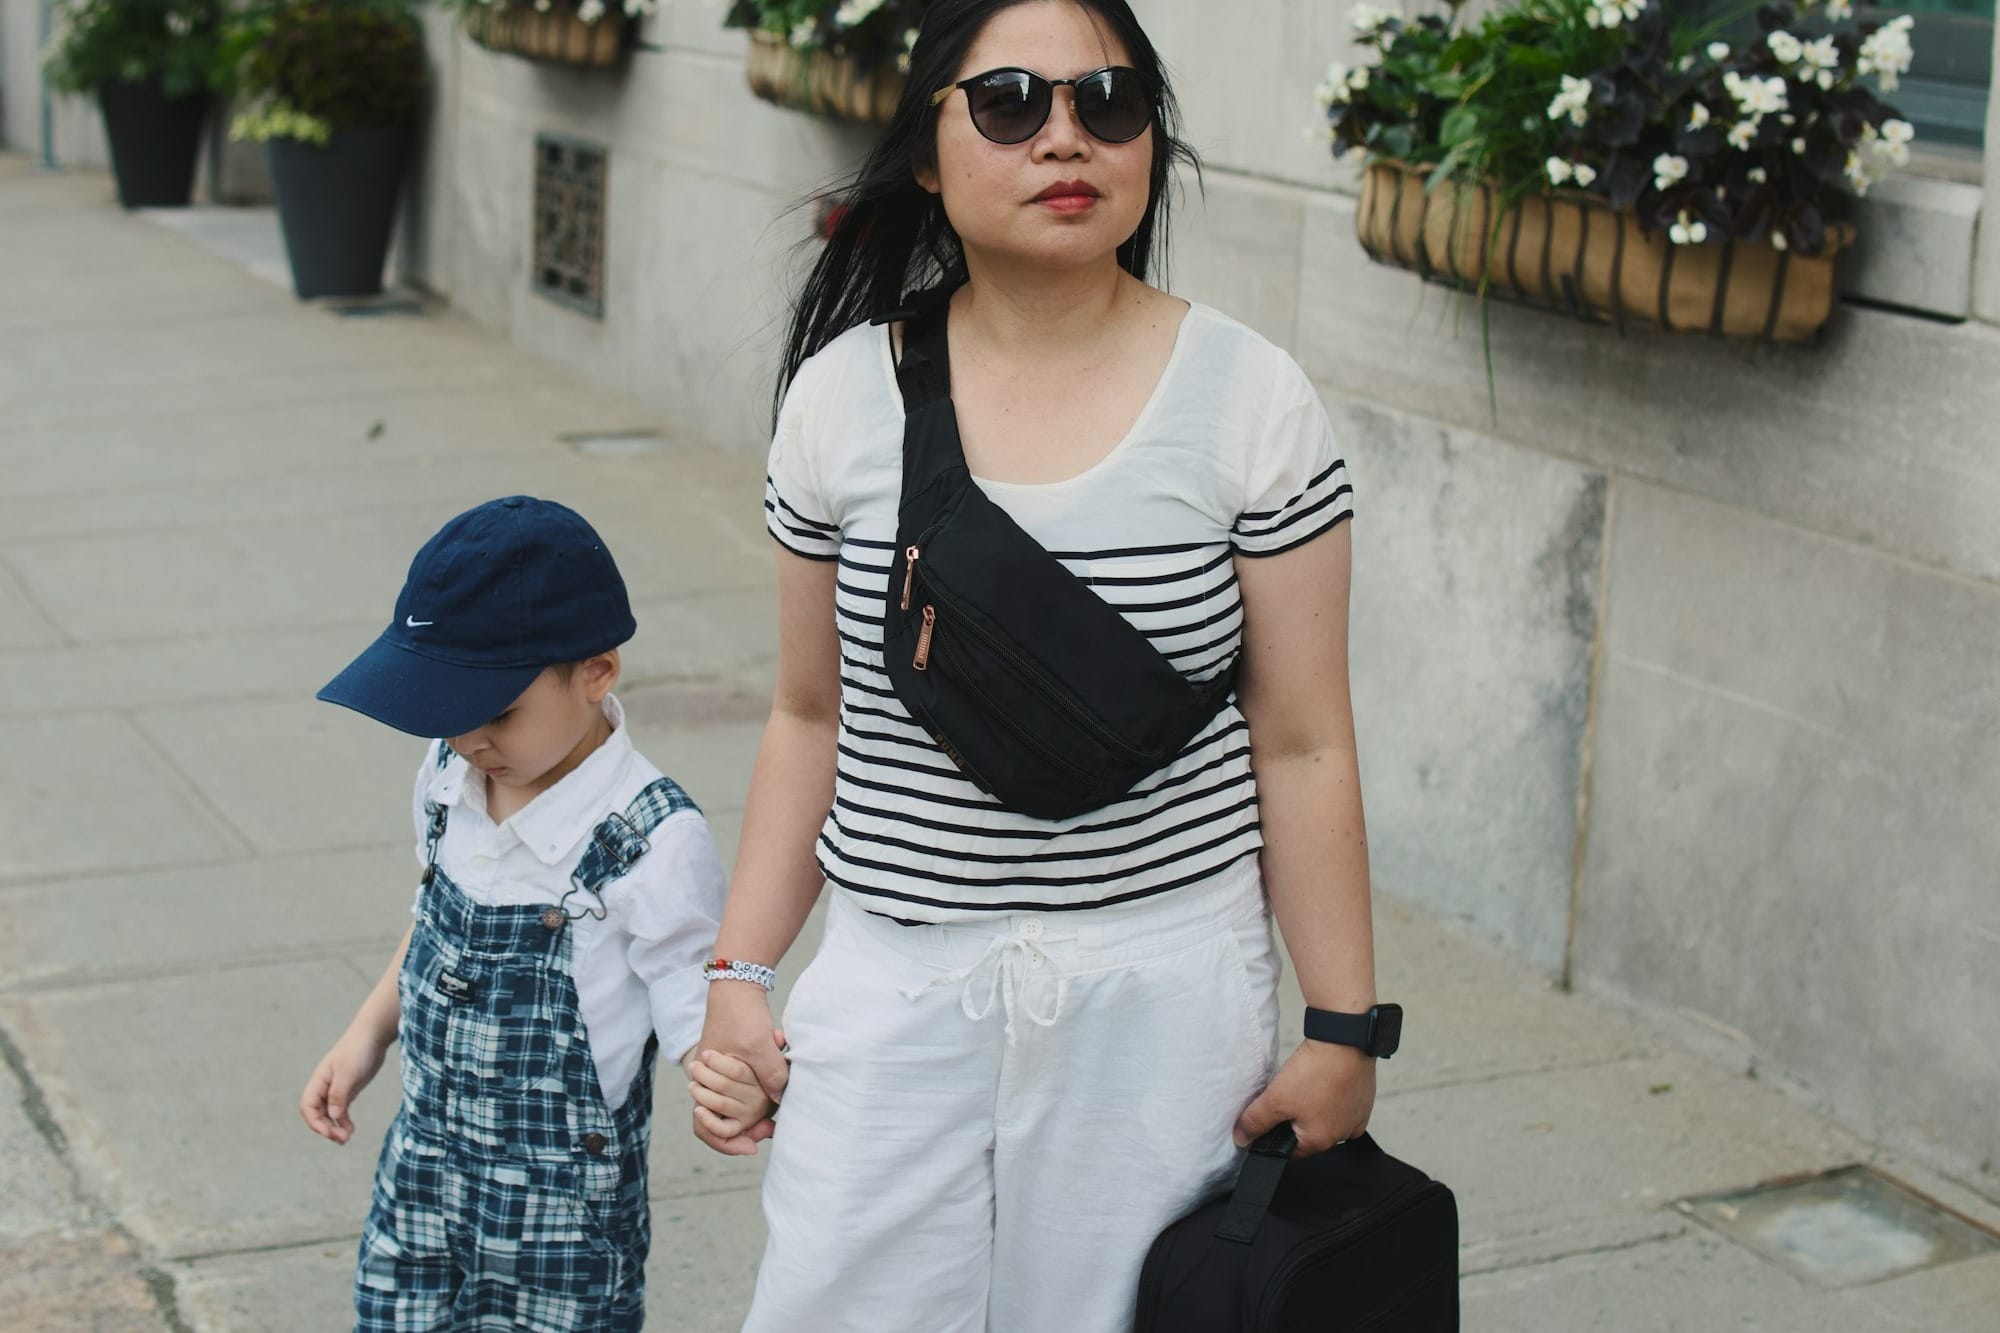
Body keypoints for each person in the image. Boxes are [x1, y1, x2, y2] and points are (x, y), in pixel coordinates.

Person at [691, 1, 1384, 1329]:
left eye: (1106, 102)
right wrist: (739, 978)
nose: (1065, 137)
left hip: (1161, 994)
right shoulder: (841, 398)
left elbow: (1303, 740)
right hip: (895, 984)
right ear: (927, 153)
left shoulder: (1251, 399)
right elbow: (807, 716)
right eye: (1009, 103)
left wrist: (1344, 1027)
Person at [298, 496, 765, 1331]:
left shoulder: (650, 838)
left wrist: (727, 1080)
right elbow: (432, 918)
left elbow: (693, 995)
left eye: (497, 711)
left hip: (561, 1221)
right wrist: (368, 1032)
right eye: (446, 709)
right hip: (423, 1177)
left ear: (596, 671)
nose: (470, 738)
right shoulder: (448, 777)